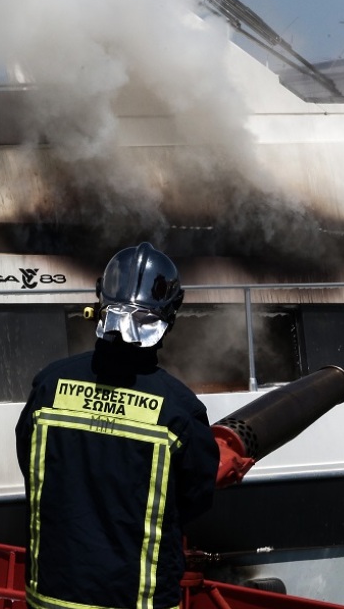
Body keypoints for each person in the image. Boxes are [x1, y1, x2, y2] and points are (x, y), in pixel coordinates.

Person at [15, 242, 219, 609]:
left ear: (100, 302)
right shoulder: (179, 410)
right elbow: (196, 499)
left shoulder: (49, 386)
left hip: (50, 596)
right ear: (170, 316)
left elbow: (28, 462)